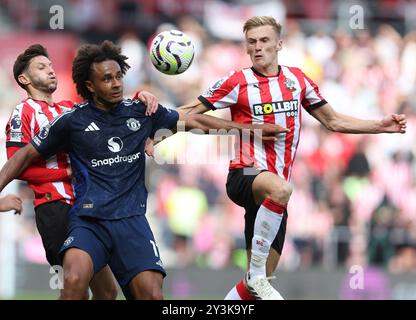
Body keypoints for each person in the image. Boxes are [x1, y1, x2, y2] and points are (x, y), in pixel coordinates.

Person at [0, 40, 285, 300]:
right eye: (106, 79)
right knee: (74, 281)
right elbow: (22, 156)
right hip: (87, 219)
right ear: (90, 85)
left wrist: (251, 130)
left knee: (148, 294)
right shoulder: (71, 120)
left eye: (118, 76)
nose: (115, 84)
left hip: (131, 220)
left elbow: (196, 122)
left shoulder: (141, 112)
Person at [170, 16, 407, 300]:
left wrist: (379, 126)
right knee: (280, 195)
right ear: (246, 48)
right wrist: (152, 128)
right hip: (245, 175)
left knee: (254, 289)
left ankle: (250, 283)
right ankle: (258, 275)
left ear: (279, 44)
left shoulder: (297, 80)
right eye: (252, 42)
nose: (258, 48)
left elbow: (332, 121)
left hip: (274, 199)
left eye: (264, 41)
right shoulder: (237, 81)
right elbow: (187, 115)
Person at [4, 44, 159, 299]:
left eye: (52, 66)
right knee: (79, 288)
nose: (51, 71)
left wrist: (142, 95)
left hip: (87, 209)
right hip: (56, 206)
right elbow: (17, 162)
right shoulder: (25, 111)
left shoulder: (67, 109)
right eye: (41, 68)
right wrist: (66, 173)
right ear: (24, 79)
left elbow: (107, 109)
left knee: (106, 291)